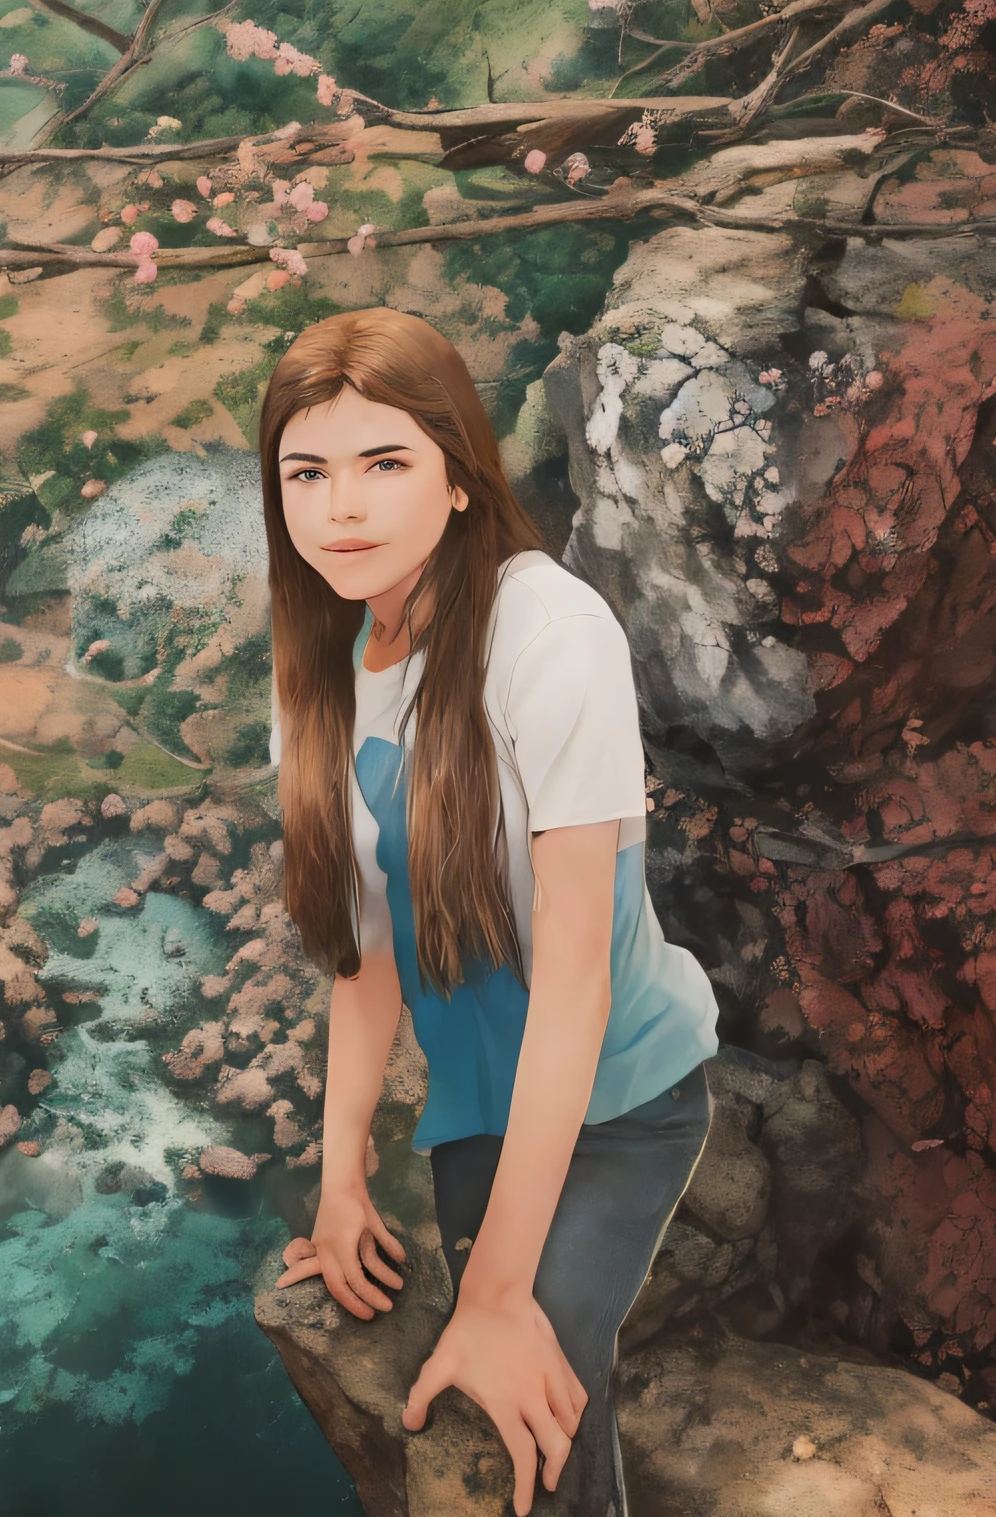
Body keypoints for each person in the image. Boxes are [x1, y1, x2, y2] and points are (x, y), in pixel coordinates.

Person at [261, 308, 720, 1517]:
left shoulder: (550, 633)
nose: (339, 507)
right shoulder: (322, 676)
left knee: (522, 1395)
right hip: (479, 1108)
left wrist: (504, 1292)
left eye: (385, 463)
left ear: (461, 478)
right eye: (307, 472)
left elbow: (576, 977)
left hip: (617, 1094)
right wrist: (340, 1174)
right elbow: (360, 956)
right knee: (543, 1425)